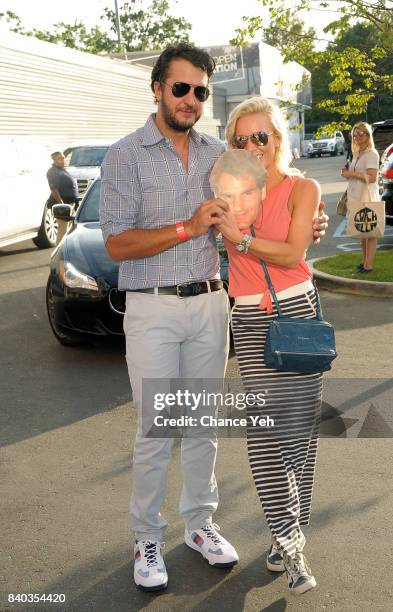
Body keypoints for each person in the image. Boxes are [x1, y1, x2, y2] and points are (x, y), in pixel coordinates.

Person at [99, 43, 328, 593]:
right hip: (151, 303)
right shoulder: (125, 155)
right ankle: (147, 537)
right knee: (157, 427)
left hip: (211, 302)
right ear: (157, 88)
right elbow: (115, 245)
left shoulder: (218, 157)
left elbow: (269, 196)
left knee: (204, 426)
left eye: (201, 91)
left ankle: (200, 525)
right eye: (181, 88)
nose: (192, 99)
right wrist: (186, 227)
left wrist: (308, 229)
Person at [217, 96, 323, 596]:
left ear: (278, 138)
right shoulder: (227, 191)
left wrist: (239, 240)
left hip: (298, 310)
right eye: (242, 138)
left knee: (299, 436)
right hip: (250, 319)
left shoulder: (305, 187)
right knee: (264, 436)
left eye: (262, 136)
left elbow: (294, 252)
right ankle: (294, 547)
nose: (253, 146)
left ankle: (286, 538)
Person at [341, 122, 380, 273]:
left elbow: (372, 177)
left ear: (368, 135)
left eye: (360, 134)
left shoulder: (371, 153)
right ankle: (364, 262)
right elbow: (356, 174)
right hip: (357, 196)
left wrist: (351, 174)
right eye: (354, 134)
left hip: (367, 197)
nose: (357, 137)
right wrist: (346, 172)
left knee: (370, 233)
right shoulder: (357, 153)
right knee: (363, 232)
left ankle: (368, 266)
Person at [46, 151, 79, 245]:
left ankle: (67, 251)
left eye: (63, 158)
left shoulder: (62, 170)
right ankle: (59, 255)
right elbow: (54, 190)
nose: (63, 160)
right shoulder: (53, 172)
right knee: (62, 231)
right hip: (63, 206)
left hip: (70, 204)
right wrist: (62, 205)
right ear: (54, 160)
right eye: (60, 158)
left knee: (70, 230)